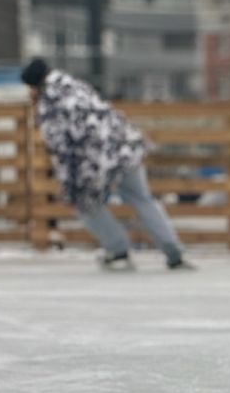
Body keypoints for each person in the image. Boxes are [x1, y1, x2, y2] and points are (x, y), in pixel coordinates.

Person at [22, 58, 191, 271]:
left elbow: (61, 147)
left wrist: (69, 184)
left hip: (95, 161)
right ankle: (173, 251)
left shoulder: (50, 104)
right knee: (143, 200)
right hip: (124, 148)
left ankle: (118, 249)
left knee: (84, 204)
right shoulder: (76, 85)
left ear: (35, 85)